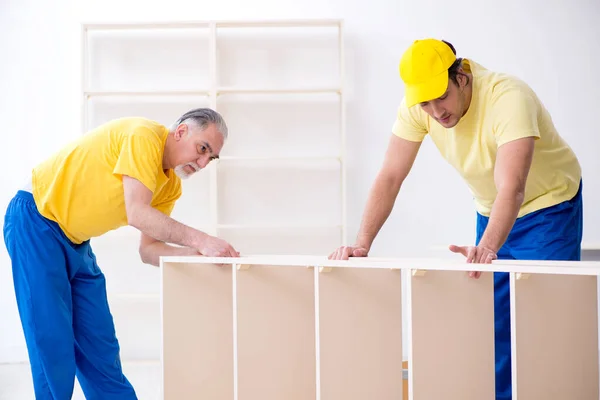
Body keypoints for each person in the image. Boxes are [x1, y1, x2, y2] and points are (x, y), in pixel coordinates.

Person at [329, 39, 582, 400]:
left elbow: (513, 188)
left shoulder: (509, 98)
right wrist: (362, 243)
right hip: (491, 209)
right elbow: (390, 176)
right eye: (425, 103)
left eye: (441, 97)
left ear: (462, 76)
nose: (435, 111)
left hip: (549, 207)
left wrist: (489, 246)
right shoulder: (419, 107)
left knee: (543, 324)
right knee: (495, 322)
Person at [3, 108, 239, 399]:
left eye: (211, 157)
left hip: (76, 241)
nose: (203, 162)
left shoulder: (170, 187)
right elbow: (137, 212)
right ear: (181, 132)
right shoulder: (143, 137)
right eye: (202, 149)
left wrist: (198, 254)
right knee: (52, 342)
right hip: (36, 220)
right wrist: (202, 239)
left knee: (100, 347)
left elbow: (148, 250)